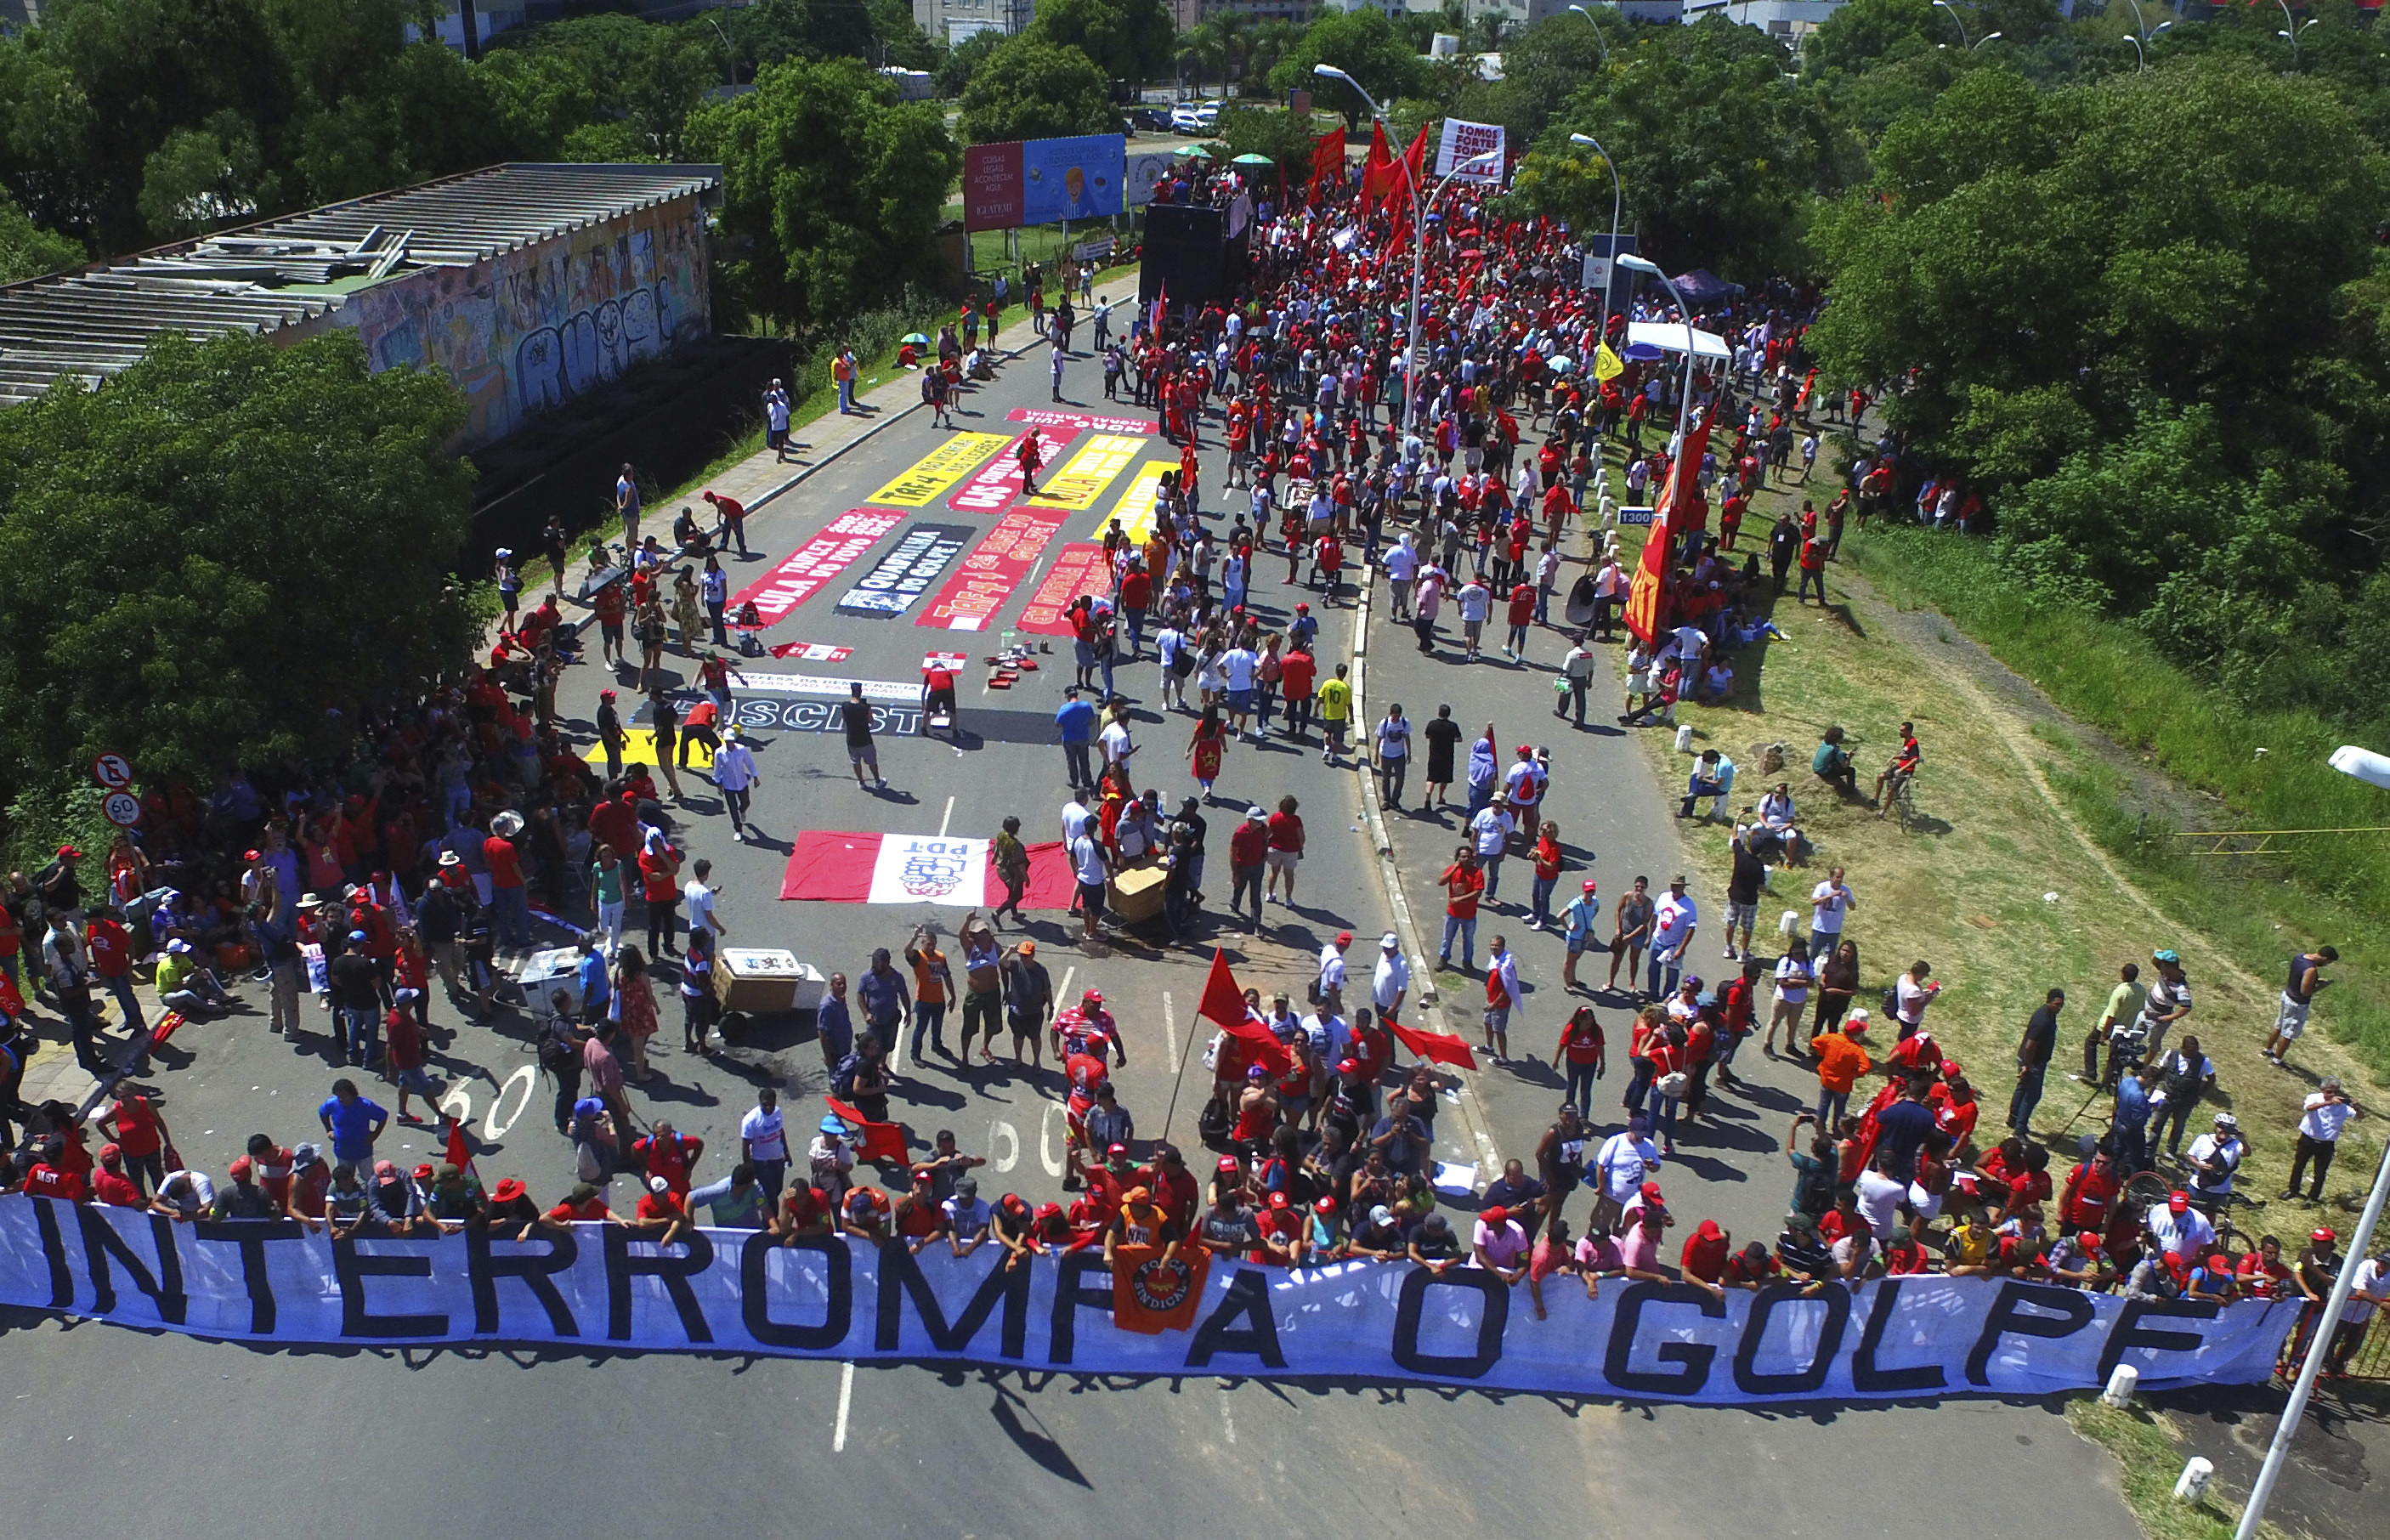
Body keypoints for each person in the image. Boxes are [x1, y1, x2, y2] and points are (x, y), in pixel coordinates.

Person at [2285, 1078, 2361, 1203]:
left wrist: (2358, 1109)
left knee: (2320, 1172)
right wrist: (2329, 1103)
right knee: (2299, 1165)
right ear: (2323, 1090)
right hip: (2308, 1139)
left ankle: (2313, 1197)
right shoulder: (2314, 1097)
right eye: (2330, 1092)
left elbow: (2358, 1117)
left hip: (2326, 1144)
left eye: (2335, 1092)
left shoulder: (2342, 1107)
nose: (2333, 1095)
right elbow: (2309, 1108)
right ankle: (2293, 1190)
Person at [2263, 944, 2337, 1068]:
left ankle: (2268, 1050)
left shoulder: (2299, 957)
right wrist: (2321, 986)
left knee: (2279, 1025)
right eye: (2328, 962)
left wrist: (2315, 981)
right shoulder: (2311, 970)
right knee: (2288, 1033)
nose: (2327, 965)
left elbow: (2298, 978)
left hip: (2287, 995)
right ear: (2325, 959)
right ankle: (2277, 1060)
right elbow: (2305, 991)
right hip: (2297, 1003)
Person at [2010, 988, 2063, 1135]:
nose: (2059, 1008)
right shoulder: (2043, 1020)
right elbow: (2030, 1046)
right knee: (2032, 1095)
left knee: (2023, 1088)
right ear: (2048, 1002)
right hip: (2033, 1063)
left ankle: (2013, 1118)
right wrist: (2026, 1066)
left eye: (2061, 1005)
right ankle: (2019, 1130)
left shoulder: (2049, 1015)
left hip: (2032, 1061)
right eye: (2056, 1004)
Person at [842, 682, 883, 790]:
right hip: (864, 738)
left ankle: (861, 782)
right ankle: (878, 781)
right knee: (872, 761)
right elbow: (871, 720)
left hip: (851, 739)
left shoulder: (845, 706)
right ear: (860, 692)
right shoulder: (865, 707)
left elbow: (844, 719)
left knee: (856, 762)